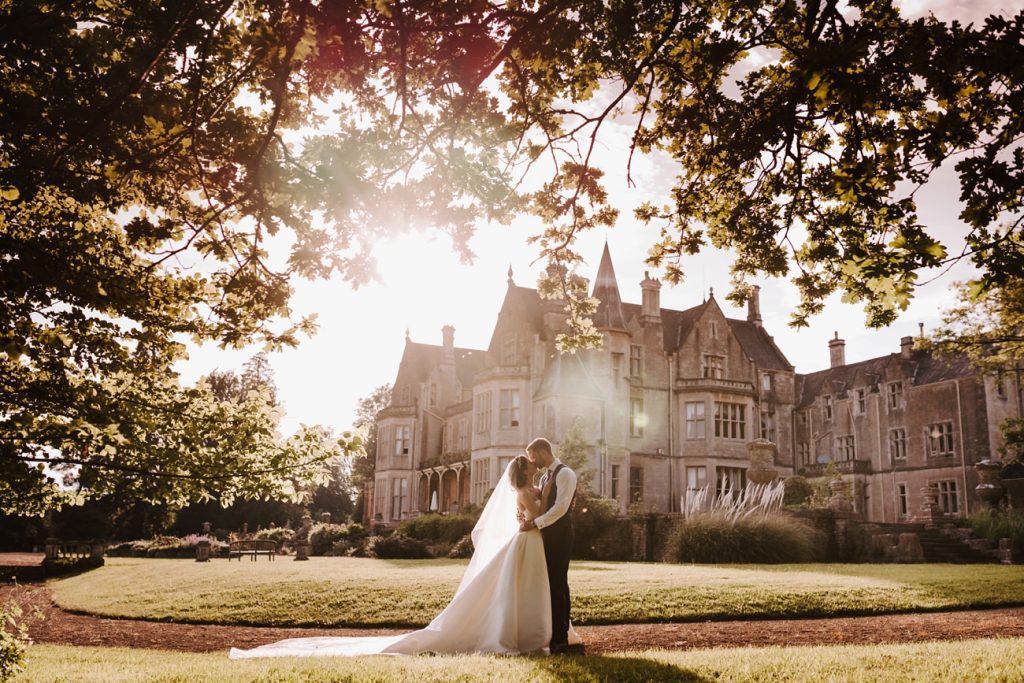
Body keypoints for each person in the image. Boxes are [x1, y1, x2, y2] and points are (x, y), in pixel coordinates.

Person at [228, 457, 551, 659]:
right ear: (524, 470)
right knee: (512, 589)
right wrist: (546, 499)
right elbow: (539, 514)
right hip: (526, 537)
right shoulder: (525, 491)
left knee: (514, 588)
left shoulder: (524, 489)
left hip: (526, 539)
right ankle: (514, 633)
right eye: (531, 465)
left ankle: (523, 630)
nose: (535, 467)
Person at [519, 437, 577, 655]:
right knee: (552, 583)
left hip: (561, 535)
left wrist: (534, 523)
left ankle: (560, 639)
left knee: (558, 582)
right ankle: (555, 633)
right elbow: (540, 504)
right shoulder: (545, 478)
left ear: (543, 451)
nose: (532, 461)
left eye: (533, 455)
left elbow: (561, 508)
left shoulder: (565, 474)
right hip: (545, 536)